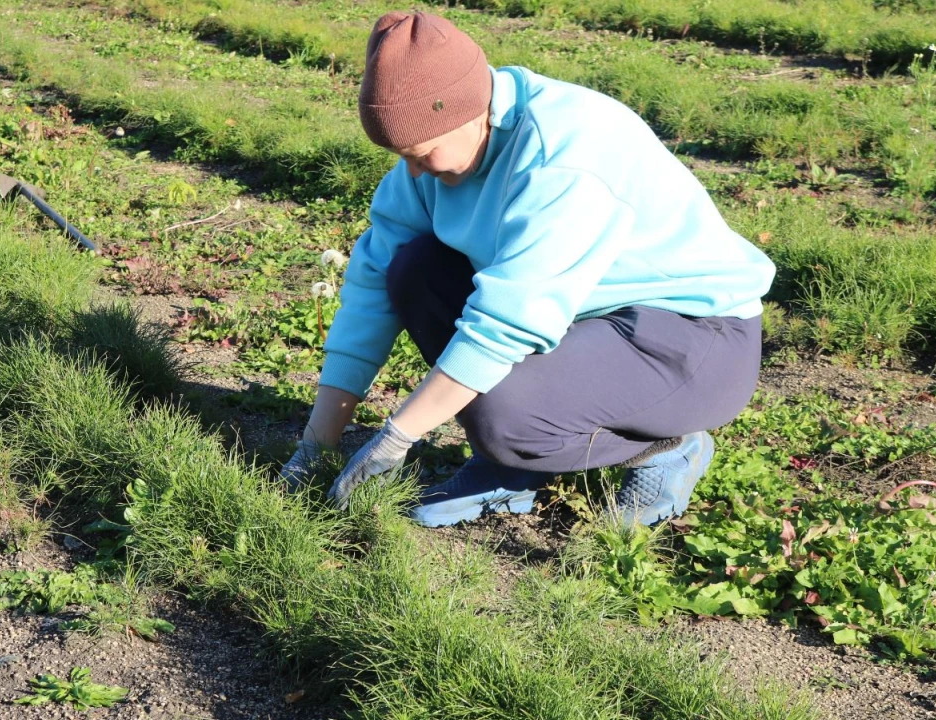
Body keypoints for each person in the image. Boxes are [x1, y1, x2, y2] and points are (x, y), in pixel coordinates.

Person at [280, 11, 775, 528]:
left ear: (472, 113)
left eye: (423, 154)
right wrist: (316, 446)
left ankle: (666, 447)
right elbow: (370, 286)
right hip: (584, 321)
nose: (414, 172)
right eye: (403, 157)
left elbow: (506, 323)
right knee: (412, 268)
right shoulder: (437, 151)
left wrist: (398, 436)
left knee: (506, 419)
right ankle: (513, 466)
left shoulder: (563, 158)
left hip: (690, 339)